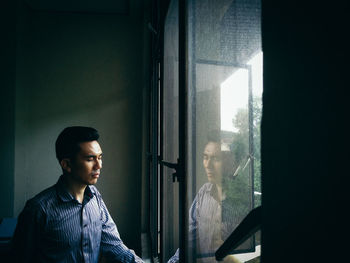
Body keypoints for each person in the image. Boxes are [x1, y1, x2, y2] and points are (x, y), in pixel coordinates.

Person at [11, 126, 144, 263]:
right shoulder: (38, 209)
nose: (99, 165)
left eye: (100, 157)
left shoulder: (95, 197)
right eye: (90, 159)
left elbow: (114, 246)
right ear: (67, 164)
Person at [168, 131, 246, 263]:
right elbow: (188, 243)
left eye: (216, 159)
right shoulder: (203, 192)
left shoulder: (243, 201)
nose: (208, 165)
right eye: (205, 157)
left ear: (232, 163)